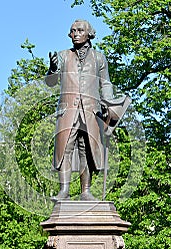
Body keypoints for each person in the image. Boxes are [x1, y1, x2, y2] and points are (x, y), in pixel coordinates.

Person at [45, 19, 113, 201]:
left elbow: (105, 84)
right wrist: (52, 69)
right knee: (64, 149)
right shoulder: (63, 56)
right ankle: (64, 191)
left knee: (87, 150)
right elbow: (51, 82)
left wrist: (109, 104)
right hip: (68, 111)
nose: (75, 34)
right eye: (73, 31)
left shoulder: (99, 58)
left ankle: (86, 191)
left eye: (80, 30)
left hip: (91, 111)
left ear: (89, 33)